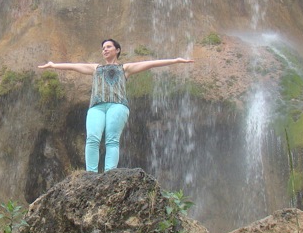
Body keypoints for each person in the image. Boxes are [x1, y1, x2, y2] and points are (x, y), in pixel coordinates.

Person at [38, 39, 194, 172]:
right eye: (103, 48)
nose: (105, 50)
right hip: (96, 106)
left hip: (117, 106)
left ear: (117, 50)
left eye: (108, 47)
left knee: (112, 140)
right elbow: (73, 66)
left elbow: (150, 64)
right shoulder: (96, 68)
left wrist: (175, 60)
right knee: (92, 138)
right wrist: (53, 65)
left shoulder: (124, 69)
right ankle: (90, 174)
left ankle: (110, 174)